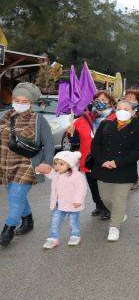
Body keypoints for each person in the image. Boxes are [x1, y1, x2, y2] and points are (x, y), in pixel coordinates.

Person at [0, 83, 54, 246]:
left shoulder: (39, 119)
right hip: (7, 163)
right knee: (15, 195)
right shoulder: (5, 116)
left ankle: (7, 230)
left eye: (25, 101)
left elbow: (49, 143)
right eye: (17, 100)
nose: (20, 103)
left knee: (16, 196)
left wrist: (47, 162)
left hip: (28, 164)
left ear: (31, 103)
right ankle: (28, 220)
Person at [90, 100, 139, 242]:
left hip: (124, 170)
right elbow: (95, 145)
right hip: (104, 168)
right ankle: (119, 215)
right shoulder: (105, 125)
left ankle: (114, 227)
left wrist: (117, 162)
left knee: (118, 199)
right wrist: (103, 161)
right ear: (115, 110)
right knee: (106, 198)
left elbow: (138, 152)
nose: (122, 111)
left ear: (133, 112)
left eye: (126, 109)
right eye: (119, 108)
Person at [68, 91, 115, 219]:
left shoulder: (115, 118)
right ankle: (99, 205)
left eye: (104, 100)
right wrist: (71, 134)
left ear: (111, 103)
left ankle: (107, 207)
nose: (100, 102)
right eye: (97, 99)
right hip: (88, 158)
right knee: (92, 184)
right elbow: (74, 141)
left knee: (103, 185)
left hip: (106, 158)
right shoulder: (84, 118)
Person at [36, 151, 87, 249]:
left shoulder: (77, 176)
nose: (57, 167)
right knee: (55, 220)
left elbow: (81, 189)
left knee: (73, 221)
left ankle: (75, 235)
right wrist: (42, 170)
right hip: (60, 204)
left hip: (73, 204)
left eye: (61, 164)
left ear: (70, 164)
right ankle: (53, 238)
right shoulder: (57, 174)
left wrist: (78, 200)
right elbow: (50, 173)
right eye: (56, 164)